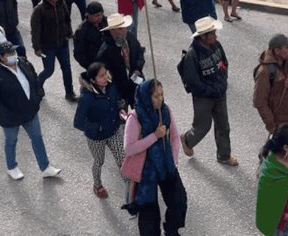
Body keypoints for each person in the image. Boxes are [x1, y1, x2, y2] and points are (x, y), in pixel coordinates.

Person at [0, 42, 61, 180]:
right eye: (9, 54)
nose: (13, 55)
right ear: (1, 57)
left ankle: (45, 167)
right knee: (11, 141)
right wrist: (5, 113)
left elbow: (35, 80)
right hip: (11, 117)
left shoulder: (24, 63)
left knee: (37, 138)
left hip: (30, 111)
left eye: (14, 52)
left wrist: (37, 97)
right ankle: (12, 167)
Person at [122, 79, 187, 236]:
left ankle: (171, 230)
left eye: (161, 95)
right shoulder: (135, 119)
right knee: (148, 217)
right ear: (146, 97)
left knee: (179, 201)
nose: (160, 99)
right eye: (155, 96)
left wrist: (173, 160)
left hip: (166, 165)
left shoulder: (165, 111)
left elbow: (175, 138)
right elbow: (129, 148)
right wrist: (154, 136)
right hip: (146, 171)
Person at [180, 16, 238, 166]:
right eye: (212, 33)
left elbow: (224, 63)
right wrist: (212, 90)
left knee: (223, 126)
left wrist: (223, 82)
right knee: (202, 127)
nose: (215, 35)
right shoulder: (192, 56)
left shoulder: (217, 45)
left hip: (220, 93)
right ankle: (187, 140)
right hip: (203, 98)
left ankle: (224, 155)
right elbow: (194, 84)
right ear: (203, 37)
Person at [74, 62, 126, 199]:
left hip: (113, 131)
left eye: (105, 74)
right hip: (96, 138)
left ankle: (130, 184)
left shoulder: (111, 87)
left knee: (123, 158)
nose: (105, 78)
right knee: (99, 161)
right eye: (101, 76)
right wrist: (98, 127)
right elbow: (78, 122)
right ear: (93, 80)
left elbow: (116, 103)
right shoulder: (86, 98)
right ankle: (97, 185)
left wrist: (120, 110)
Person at [30, 0, 77, 102]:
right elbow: (35, 30)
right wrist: (37, 48)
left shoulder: (62, 4)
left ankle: (69, 93)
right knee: (49, 70)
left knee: (67, 68)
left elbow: (67, 19)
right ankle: (37, 84)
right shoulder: (39, 9)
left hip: (62, 43)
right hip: (47, 46)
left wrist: (68, 33)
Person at [254, 34, 288, 133]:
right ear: (277, 51)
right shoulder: (265, 72)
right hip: (279, 124)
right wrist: (271, 125)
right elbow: (259, 101)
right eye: (287, 47)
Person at [96, 13, 146, 107]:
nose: (125, 31)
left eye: (125, 27)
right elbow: (106, 76)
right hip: (119, 89)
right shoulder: (105, 51)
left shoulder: (130, 37)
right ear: (112, 31)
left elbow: (139, 54)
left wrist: (138, 69)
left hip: (135, 80)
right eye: (120, 28)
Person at [73, 1, 107, 69]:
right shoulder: (81, 31)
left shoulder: (105, 22)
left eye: (101, 14)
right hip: (94, 64)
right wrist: (90, 66)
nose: (100, 17)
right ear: (89, 15)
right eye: (96, 15)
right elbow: (78, 53)